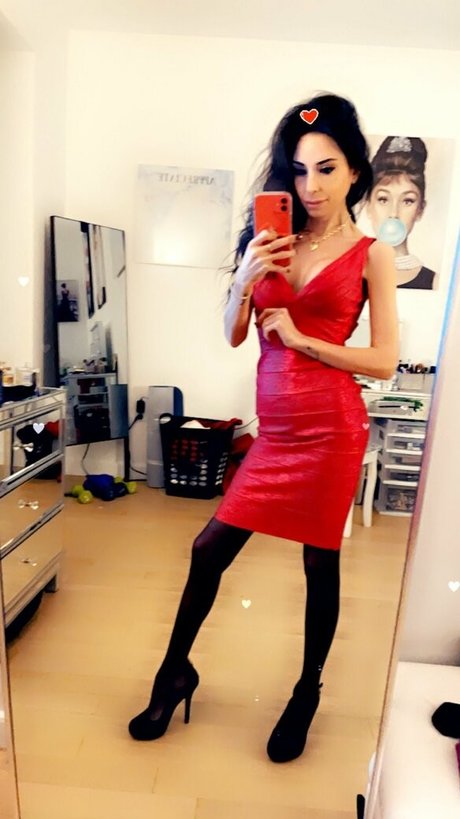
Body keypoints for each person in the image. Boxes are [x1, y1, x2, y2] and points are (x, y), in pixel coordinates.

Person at [129, 93, 399, 763]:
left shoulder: (371, 255)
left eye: (327, 169)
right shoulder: (271, 240)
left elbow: (384, 360)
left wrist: (306, 342)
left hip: (333, 430)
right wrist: (244, 281)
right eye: (299, 171)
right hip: (275, 434)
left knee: (320, 565)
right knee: (207, 550)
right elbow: (234, 335)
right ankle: (174, 673)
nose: (311, 186)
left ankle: (307, 691)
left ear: (355, 170)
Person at [366, 135, 436, 289]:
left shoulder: (435, 282)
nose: (393, 214)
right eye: (383, 199)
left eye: (407, 201)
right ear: (368, 205)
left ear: (420, 210)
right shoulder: (343, 274)